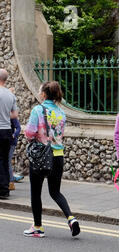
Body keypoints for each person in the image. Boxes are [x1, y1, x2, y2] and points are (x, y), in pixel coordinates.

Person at [23, 81, 80, 238]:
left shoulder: (38, 110)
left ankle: (38, 227)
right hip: (58, 155)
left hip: (41, 156)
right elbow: (60, 133)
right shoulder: (61, 113)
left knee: (36, 193)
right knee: (55, 191)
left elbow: (29, 133)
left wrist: (34, 138)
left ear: (43, 94)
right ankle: (71, 218)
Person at [0, 69, 18, 199]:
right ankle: (5, 189)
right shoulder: (11, 95)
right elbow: (14, 115)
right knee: (5, 160)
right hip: (7, 130)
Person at [8, 116, 22, 191]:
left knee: (7, 162)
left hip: (11, 142)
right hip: (4, 141)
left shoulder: (12, 116)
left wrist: (14, 135)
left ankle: (11, 183)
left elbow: (19, 128)